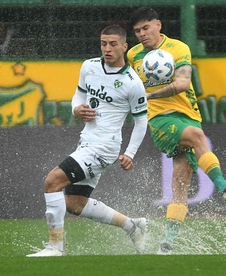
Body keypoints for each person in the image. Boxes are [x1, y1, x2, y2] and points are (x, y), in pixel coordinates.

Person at [127, 7, 226, 255]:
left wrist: (151, 93)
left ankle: (167, 243)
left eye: (145, 28)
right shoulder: (133, 55)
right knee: (198, 137)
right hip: (159, 119)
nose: (141, 34)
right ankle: (225, 187)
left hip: (188, 115)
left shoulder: (178, 49)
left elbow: (182, 83)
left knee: (181, 184)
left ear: (158, 25)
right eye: (137, 31)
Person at [27, 25, 149, 257]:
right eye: (104, 43)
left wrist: (130, 153)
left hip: (104, 147)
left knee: (52, 181)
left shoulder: (132, 82)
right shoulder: (89, 66)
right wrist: (76, 109)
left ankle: (56, 247)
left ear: (125, 46)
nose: (107, 48)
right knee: (74, 203)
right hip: (86, 142)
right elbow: (79, 94)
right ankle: (133, 226)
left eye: (113, 44)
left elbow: (141, 122)